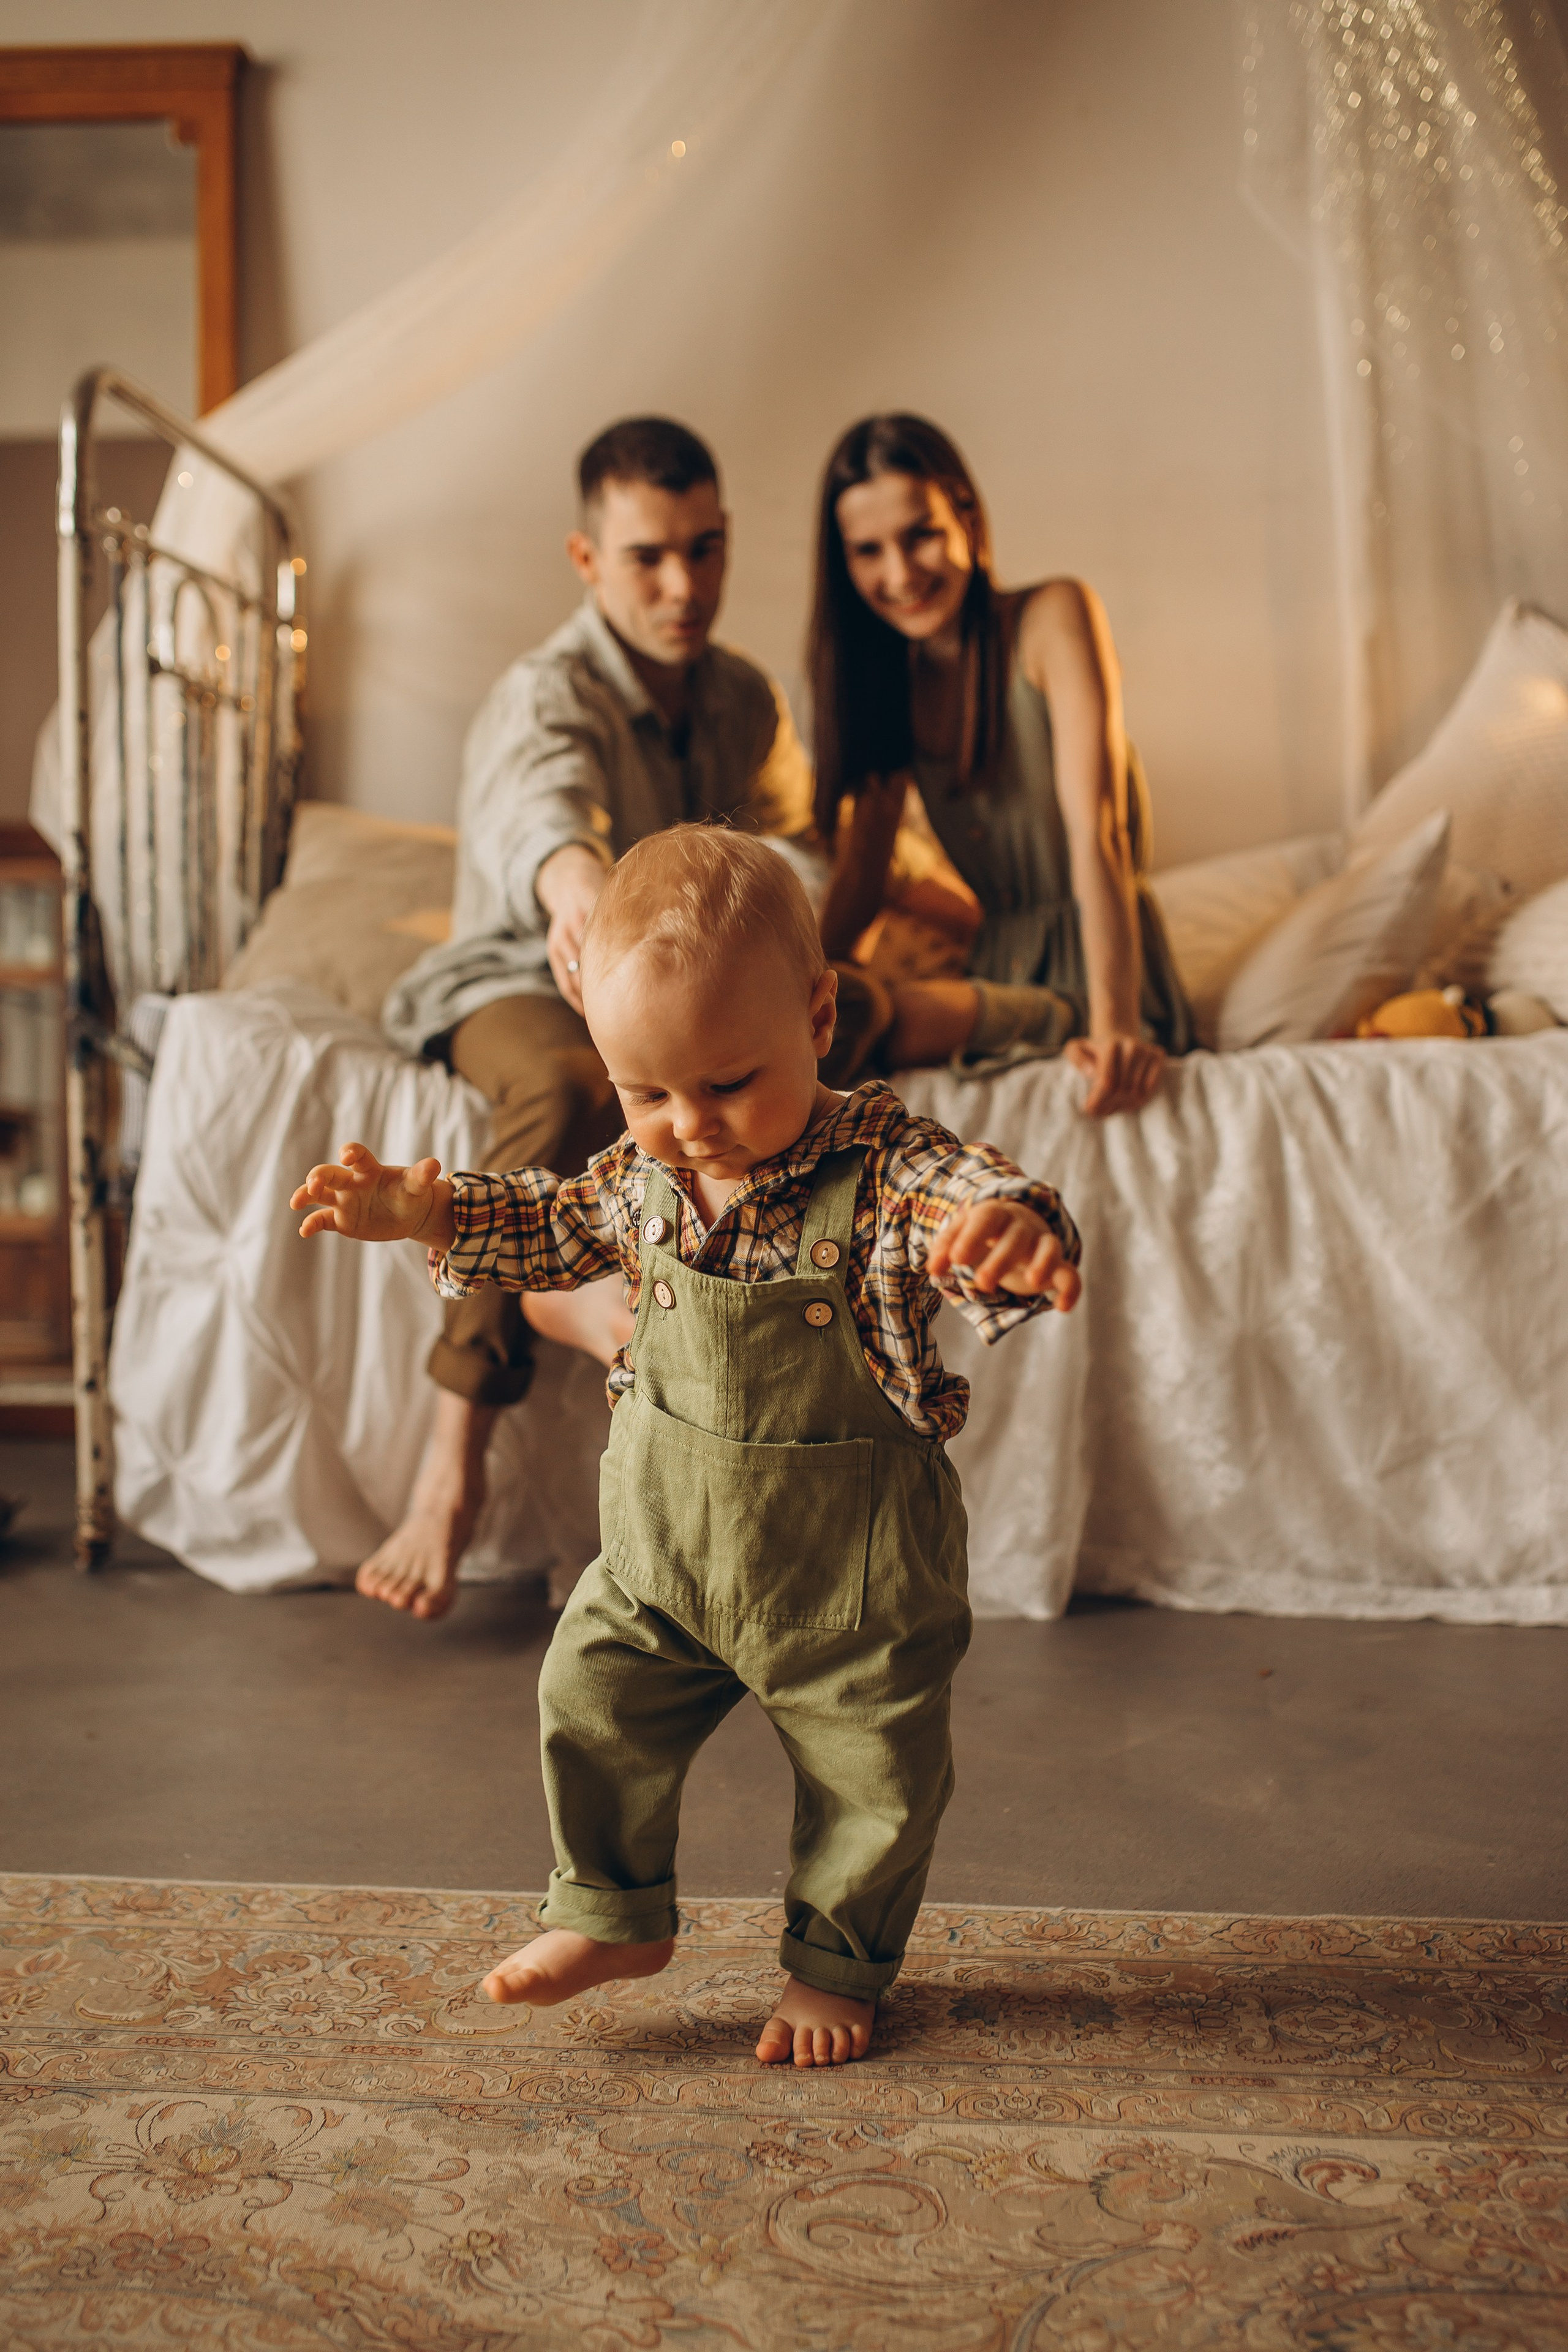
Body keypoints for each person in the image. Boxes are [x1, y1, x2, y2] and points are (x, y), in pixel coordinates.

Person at [293, 826, 1080, 2068]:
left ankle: (834, 1967)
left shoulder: (881, 1169)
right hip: (664, 1557)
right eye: (645, 1093)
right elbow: (550, 1227)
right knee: (586, 1699)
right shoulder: (640, 1176)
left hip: (851, 1584)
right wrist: (429, 1212)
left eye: (725, 1082)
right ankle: (611, 1912)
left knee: (872, 1776)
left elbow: (963, 1187)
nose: (689, 1125)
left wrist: (1005, 1229)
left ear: (821, 1018)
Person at [372, 417, 812, 1621]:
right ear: (585, 559)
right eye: (648, 557)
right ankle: (450, 1462)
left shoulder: (741, 698)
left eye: (705, 549)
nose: (684, 586)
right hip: (520, 973)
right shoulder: (543, 693)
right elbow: (539, 813)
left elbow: (784, 850)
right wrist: (578, 895)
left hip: (676, 987)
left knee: (831, 1030)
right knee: (571, 1086)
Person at [810, 414, 1193, 1112]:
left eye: (920, 535)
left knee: (894, 1014)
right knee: (829, 1014)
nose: (899, 574)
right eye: (868, 551)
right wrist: (792, 988)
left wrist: (1115, 1031)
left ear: (966, 516)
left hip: (1101, 976)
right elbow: (864, 874)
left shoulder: (1054, 616)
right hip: (996, 966)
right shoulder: (884, 676)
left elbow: (1097, 834)